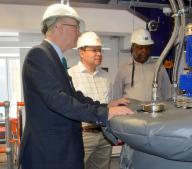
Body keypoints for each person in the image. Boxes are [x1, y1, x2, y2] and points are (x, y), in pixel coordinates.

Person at [19, 4, 134, 169]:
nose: (79, 33)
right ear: (58, 26)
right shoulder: (39, 55)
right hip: (49, 154)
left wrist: (105, 106)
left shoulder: (55, 59)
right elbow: (58, 100)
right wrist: (104, 113)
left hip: (61, 150)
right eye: (76, 27)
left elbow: (73, 96)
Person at [68, 32, 112, 169]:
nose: (98, 53)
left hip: (105, 134)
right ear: (81, 52)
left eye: (100, 50)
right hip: (83, 136)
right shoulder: (70, 75)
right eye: (94, 50)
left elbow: (107, 105)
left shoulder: (106, 77)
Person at [112, 28, 171, 102]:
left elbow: (168, 93)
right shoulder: (123, 69)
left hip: (156, 111)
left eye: (147, 48)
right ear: (133, 47)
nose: (144, 51)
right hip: (132, 112)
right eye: (140, 47)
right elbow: (116, 98)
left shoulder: (159, 66)